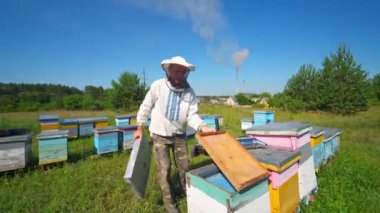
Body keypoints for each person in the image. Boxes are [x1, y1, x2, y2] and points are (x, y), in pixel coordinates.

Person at [133, 56, 215, 212]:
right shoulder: (157, 86)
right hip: (160, 136)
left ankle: (189, 196)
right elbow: (145, 106)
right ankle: (170, 205)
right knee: (164, 171)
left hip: (179, 136)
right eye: (177, 71)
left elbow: (192, 115)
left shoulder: (189, 93)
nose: (181, 75)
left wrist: (203, 127)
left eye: (183, 72)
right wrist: (139, 128)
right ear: (169, 70)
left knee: (185, 168)